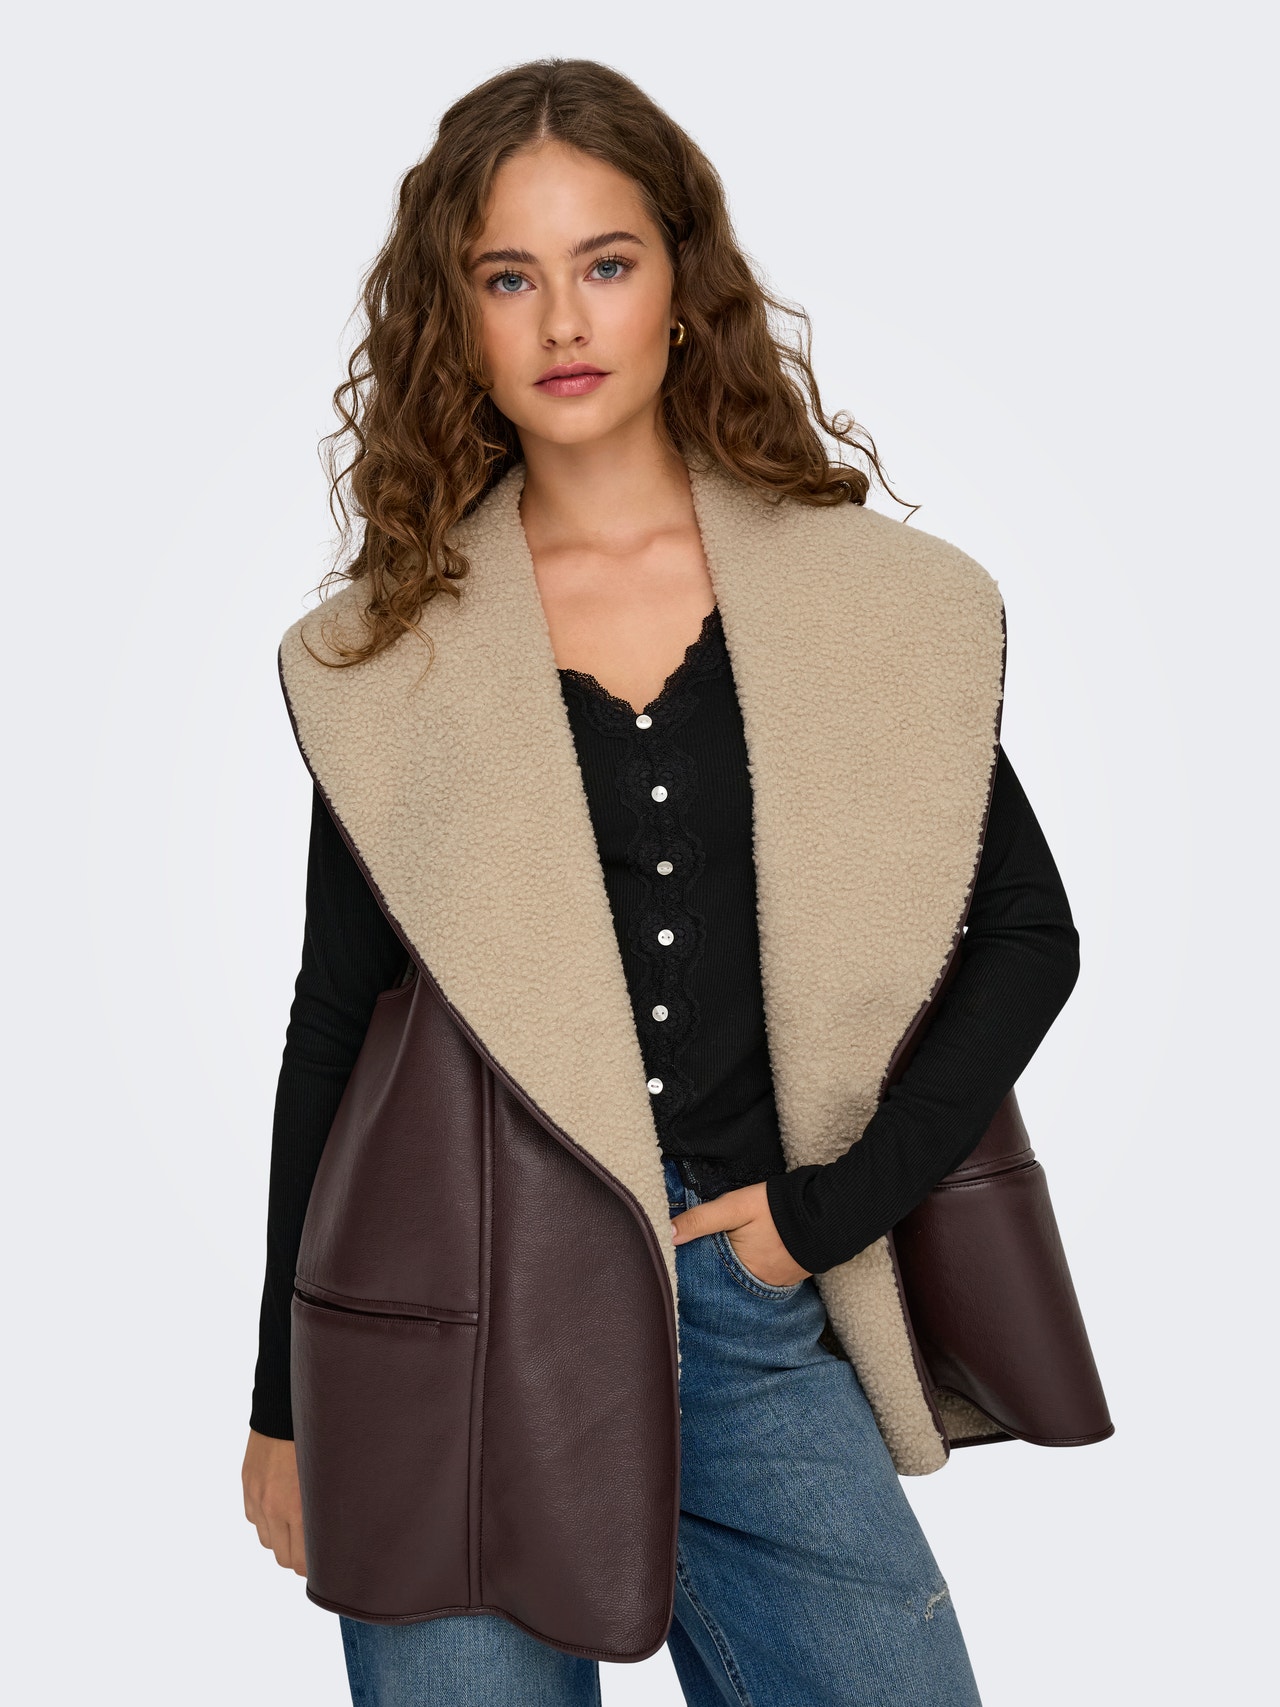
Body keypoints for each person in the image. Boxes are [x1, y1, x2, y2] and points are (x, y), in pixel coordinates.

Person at [242, 57, 1081, 1707]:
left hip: (747, 1306)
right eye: (509, 277)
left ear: (682, 286)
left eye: (605, 263)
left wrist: (818, 1221)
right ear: (457, 320)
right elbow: (332, 1024)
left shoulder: (868, 605)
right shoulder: (388, 651)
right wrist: (281, 1401)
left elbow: (1026, 936)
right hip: (448, 1315)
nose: (564, 319)